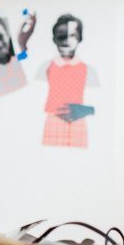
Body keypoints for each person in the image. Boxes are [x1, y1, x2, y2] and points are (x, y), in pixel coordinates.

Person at [42, 13, 95, 148]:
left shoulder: (86, 69)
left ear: (80, 38)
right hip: (54, 119)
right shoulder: (48, 67)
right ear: (54, 39)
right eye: (61, 36)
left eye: (72, 35)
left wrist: (88, 110)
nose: (66, 41)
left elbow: (100, 101)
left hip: (78, 121)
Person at [0, 11, 36, 97]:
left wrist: (23, 45)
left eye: (0, 36)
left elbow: (25, 55)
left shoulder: (18, 59)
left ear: (8, 34)